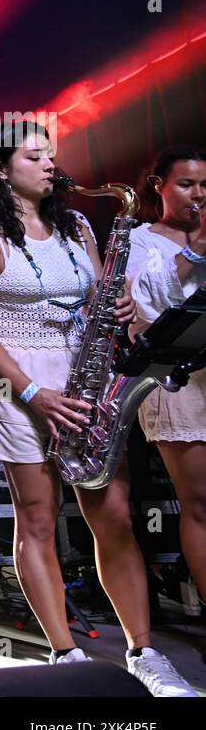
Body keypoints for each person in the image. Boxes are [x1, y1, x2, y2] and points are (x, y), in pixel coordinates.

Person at [0, 122, 195, 696]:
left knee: (113, 515)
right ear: (1, 168)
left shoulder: (78, 225)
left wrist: (121, 304)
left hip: (86, 383)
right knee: (36, 520)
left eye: (51, 155)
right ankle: (65, 654)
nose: (49, 165)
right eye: (34, 156)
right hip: (20, 387)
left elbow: (96, 300)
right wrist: (32, 393)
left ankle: (144, 652)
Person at [126, 145, 206, 604]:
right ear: (160, 186)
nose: (198, 195)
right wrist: (196, 247)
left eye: (204, 185)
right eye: (186, 184)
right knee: (199, 504)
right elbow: (148, 303)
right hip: (176, 381)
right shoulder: (141, 239)